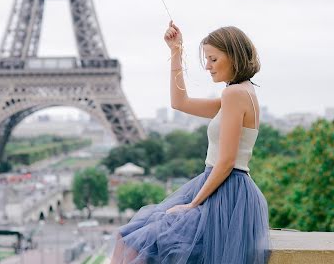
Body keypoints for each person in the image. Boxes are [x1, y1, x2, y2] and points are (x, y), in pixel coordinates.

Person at [109, 22, 272, 264]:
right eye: (207, 59)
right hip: (224, 187)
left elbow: (226, 162)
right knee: (139, 238)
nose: (208, 66)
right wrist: (175, 52)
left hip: (224, 190)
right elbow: (180, 103)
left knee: (136, 240)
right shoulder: (241, 93)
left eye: (213, 59)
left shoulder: (234, 95)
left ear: (234, 56)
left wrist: (192, 205)